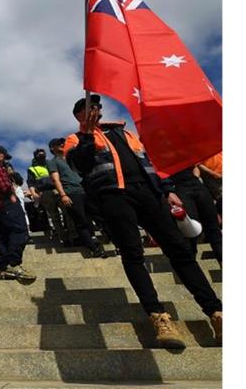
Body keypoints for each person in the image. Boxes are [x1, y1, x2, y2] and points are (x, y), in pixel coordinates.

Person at [64, 94, 222, 347]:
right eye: (87, 107)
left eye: (96, 105)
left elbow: (150, 163)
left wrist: (167, 189)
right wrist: (87, 134)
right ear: (79, 115)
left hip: (150, 195)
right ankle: (158, 317)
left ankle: (216, 312)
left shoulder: (127, 134)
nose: (95, 109)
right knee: (133, 253)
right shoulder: (75, 138)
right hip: (113, 197)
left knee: (180, 250)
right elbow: (80, 165)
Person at [0, 146, 36, 282]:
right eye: (4, 158)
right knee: (20, 231)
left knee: (4, 237)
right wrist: (11, 194)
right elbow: (0, 181)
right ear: (0, 154)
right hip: (5, 202)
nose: (4, 161)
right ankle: (14, 264)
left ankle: (4, 269)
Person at [47, 137, 106, 258]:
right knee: (81, 221)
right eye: (58, 143)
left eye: (63, 142)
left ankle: (102, 239)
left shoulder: (71, 158)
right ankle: (94, 248)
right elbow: (55, 179)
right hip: (71, 192)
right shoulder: (53, 162)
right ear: (52, 148)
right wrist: (63, 195)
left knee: (96, 216)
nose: (62, 144)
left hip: (84, 190)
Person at [167, 165, 222, 265]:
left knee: (214, 229)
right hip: (178, 186)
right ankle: (191, 266)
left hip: (196, 184)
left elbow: (196, 166)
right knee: (191, 230)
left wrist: (196, 178)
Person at [27, 148, 68, 245]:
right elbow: (30, 182)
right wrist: (34, 193)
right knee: (54, 216)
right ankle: (63, 238)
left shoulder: (52, 163)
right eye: (39, 154)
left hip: (57, 190)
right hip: (44, 193)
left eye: (43, 154)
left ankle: (73, 235)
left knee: (67, 213)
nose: (41, 155)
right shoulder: (32, 169)